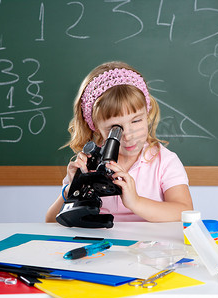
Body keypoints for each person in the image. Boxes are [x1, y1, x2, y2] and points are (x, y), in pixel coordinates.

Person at [45, 61, 193, 223]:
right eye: (115, 129)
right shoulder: (89, 164)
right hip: (102, 245)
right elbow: (51, 222)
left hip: (150, 246)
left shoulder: (164, 161)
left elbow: (184, 211)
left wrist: (135, 202)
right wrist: (71, 190)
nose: (128, 135)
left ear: (147, 114)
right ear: (96, 128)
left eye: (136, 121)